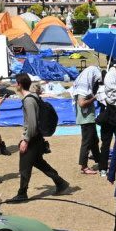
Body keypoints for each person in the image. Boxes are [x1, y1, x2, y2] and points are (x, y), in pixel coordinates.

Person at [8, 73, 72, 203]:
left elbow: (32, 123)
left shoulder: (28, 100)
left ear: (19, 85)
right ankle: (60, 183)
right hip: (37, 138)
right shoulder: (34, 97)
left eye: (16, 83)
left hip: (32, 138)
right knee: (39, 163)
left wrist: (25, 140)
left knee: (24, 166)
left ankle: (22, 193)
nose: (15, 85)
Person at [72, 63, 102, 176]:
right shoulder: (82, 88)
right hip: (85, 119)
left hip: (89, 118)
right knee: (87, 142)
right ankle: (84, 166)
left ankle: (99, 161)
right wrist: (95, 98)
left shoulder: (85, 85)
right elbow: (82, 103)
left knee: (94, 140)